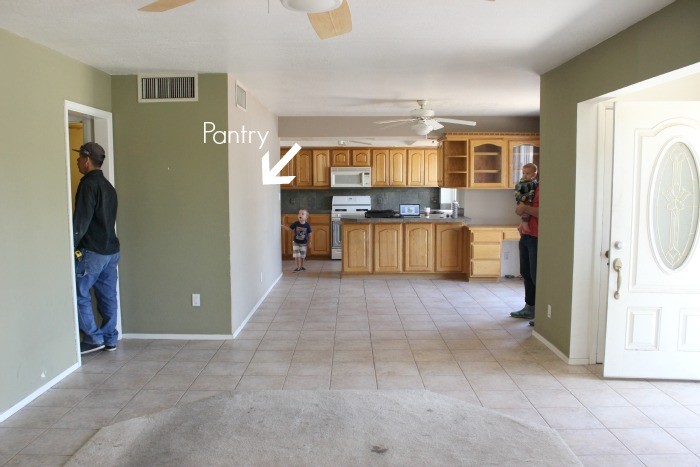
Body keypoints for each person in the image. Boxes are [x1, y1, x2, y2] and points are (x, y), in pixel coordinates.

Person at [72, 142, 121, 354]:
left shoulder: (87, 185)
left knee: (79, 292)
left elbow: (81, 221)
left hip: (93, 251)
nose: (77, 161)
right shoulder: (109, 187)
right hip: (111, 250)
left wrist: (70, 245)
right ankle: (110, 338)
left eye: (79, 158)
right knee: (108, 295)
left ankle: (92, 338)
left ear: (87, 159)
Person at [510, 171, 539, 326]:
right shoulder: (529, 187)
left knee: (536, 276)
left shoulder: (542, 189)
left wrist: (524, 209)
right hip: (526, 235)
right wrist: (523, 209)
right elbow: (518, 209)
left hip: (537, 236)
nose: (526, 175)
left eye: (529, 173)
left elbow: (543, 212)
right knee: (526, 273)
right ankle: (529, 307)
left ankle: (539, 313)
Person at [513, 163, 538, 234]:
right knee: (525, 212)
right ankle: (524, 224)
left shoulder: (534, 182)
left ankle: (522, 225)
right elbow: (516, 192)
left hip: (529, 199)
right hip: (524, 200)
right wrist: (521, 197)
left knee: (527, 210)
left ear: (534, 175)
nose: (524, 175)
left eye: (527, 173)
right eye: (523, 173)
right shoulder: (521, 183)